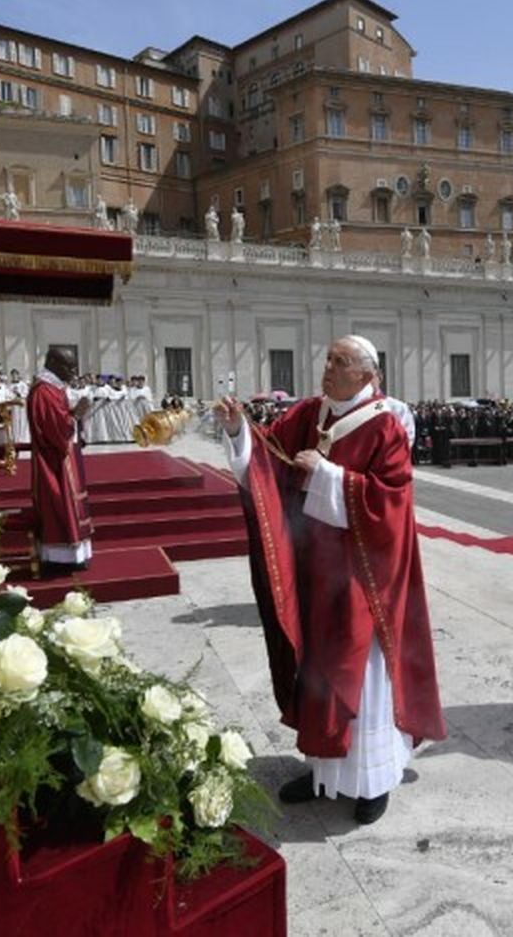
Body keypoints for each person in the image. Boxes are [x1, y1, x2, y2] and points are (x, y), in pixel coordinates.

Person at [214, 335, 444, 825]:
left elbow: (392, 501)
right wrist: (238, 430)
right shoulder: (310, 413)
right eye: (328, 359)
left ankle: (373, 780)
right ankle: (323, 770)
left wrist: (326, 476)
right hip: (315, 571)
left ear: (367, 375)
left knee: (357, 676)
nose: (329, 368)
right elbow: (268, 454)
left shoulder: (385, 425)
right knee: (318, 671)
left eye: (341, 362)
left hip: (364, 579)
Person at [29, 347, 95, 573]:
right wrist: (76, 414)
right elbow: (56, 429)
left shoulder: (53, 388)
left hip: (64, 454)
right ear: (54, 364)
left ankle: (76, 552)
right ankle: (61, 558)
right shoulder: (44, 391)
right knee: (60, 502)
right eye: (70, 367)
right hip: (54, 460)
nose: (74, 373)